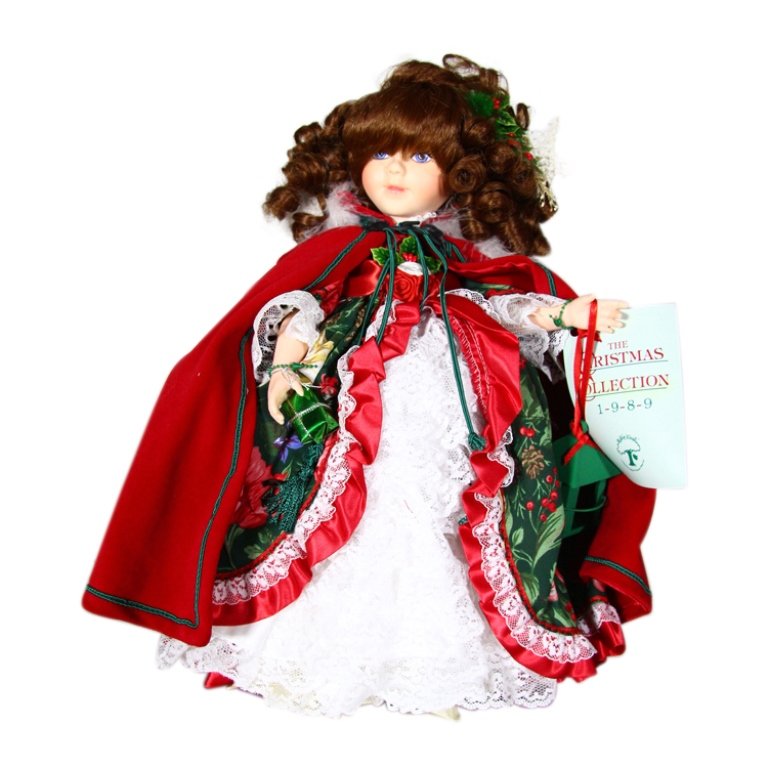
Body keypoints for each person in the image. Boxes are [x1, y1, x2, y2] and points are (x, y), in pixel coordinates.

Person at [84, 54, 656, 717]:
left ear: (462, 173)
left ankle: (431, 666)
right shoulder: (339, 249)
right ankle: (314, 659)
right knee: (343, 515)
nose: (394, 170)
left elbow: (502, 306)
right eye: (381, 152)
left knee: (437, 513)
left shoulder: (464, 260)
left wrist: (566, 314)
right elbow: (300, 306)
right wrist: (289, 367)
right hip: (350, 407)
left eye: (419, 157)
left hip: (448, 406)